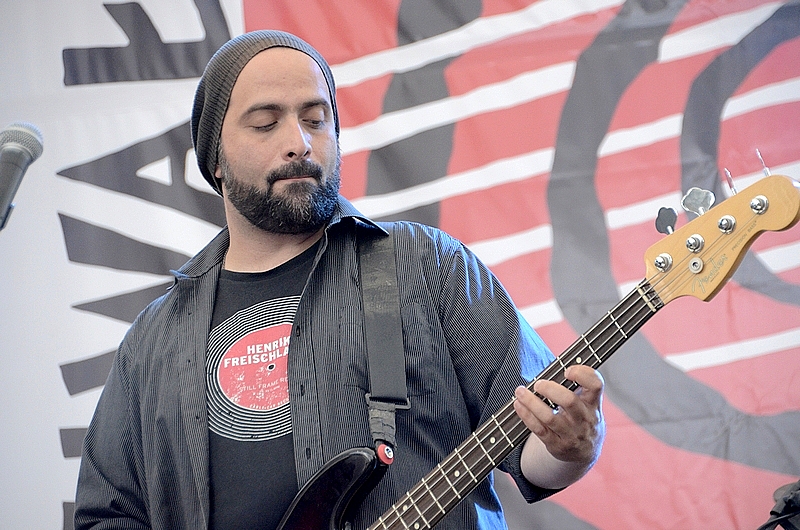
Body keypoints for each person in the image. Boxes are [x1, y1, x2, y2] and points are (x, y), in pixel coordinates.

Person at [74, 30, 605, 530]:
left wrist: (571, 448)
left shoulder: (427, 264)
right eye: (265, 123)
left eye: (315, 119)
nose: (299, 142)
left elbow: (533, 440)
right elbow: (108, 514)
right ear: (215, 158)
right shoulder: (155, 338)